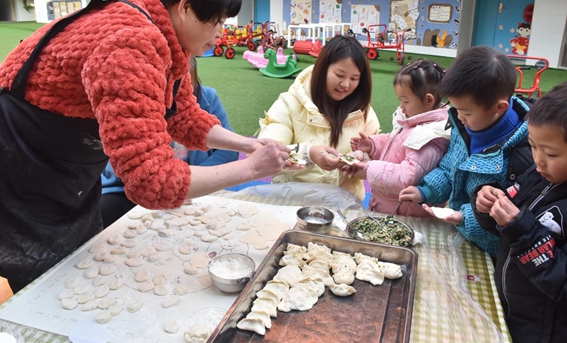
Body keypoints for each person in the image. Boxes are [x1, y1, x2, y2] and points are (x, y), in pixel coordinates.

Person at [0, 0, 291, 293]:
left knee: (80, 261)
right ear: (185, 7)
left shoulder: (157, 23)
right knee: (47, 283)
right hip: (22, 161)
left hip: (64, 162)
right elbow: (151, 181)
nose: (219, 34)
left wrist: (246, 145)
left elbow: (180, 113)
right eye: (217, 21)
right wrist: (250, 169)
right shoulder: (129, 43)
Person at [399, 46, 534, 256]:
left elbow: (511, 209)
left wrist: (465, 217)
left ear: (499, 108)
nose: (459, 118)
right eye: (456, 109)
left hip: (494, 252)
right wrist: (426, 191)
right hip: (460, 235)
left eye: (466, 112)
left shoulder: (525, 150)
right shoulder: (466, 127)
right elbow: (449, 167)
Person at [472, 80, 567, 343]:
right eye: (533, 146)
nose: (538, 160)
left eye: (552, 154)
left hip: (545, 331)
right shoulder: (538, 174)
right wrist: (489, 203)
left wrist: (519, 228)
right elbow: (507, 219)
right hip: (510, 310)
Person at [100, 56, 239, 227]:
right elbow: (130, 170)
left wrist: (192, 180)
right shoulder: (134, 105)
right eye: (169, 91)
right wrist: (173, 184)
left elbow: (228, 150)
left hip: (195, 188)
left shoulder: (207, 98)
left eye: (186, 90)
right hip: (137, 190)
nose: (175, 100)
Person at [257, 35, 380, 201]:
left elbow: (378, 163)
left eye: (354, 79)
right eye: (339, 74)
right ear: (323, 69)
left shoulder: (364, 114)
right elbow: (263, 155)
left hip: (343, 207)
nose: (345, 84)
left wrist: (360, 161)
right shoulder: (289, 103)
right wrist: (308, 154)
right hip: (291, 204)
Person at [342, 59, 450, 217]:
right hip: (389, 205)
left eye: (405, 101)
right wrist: (373, 145)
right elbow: (397, 142)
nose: (401, 106)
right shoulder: (415, 121)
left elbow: (407, 177)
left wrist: (368, 168)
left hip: (405, 214)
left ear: (428, 100)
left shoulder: (430, 136)